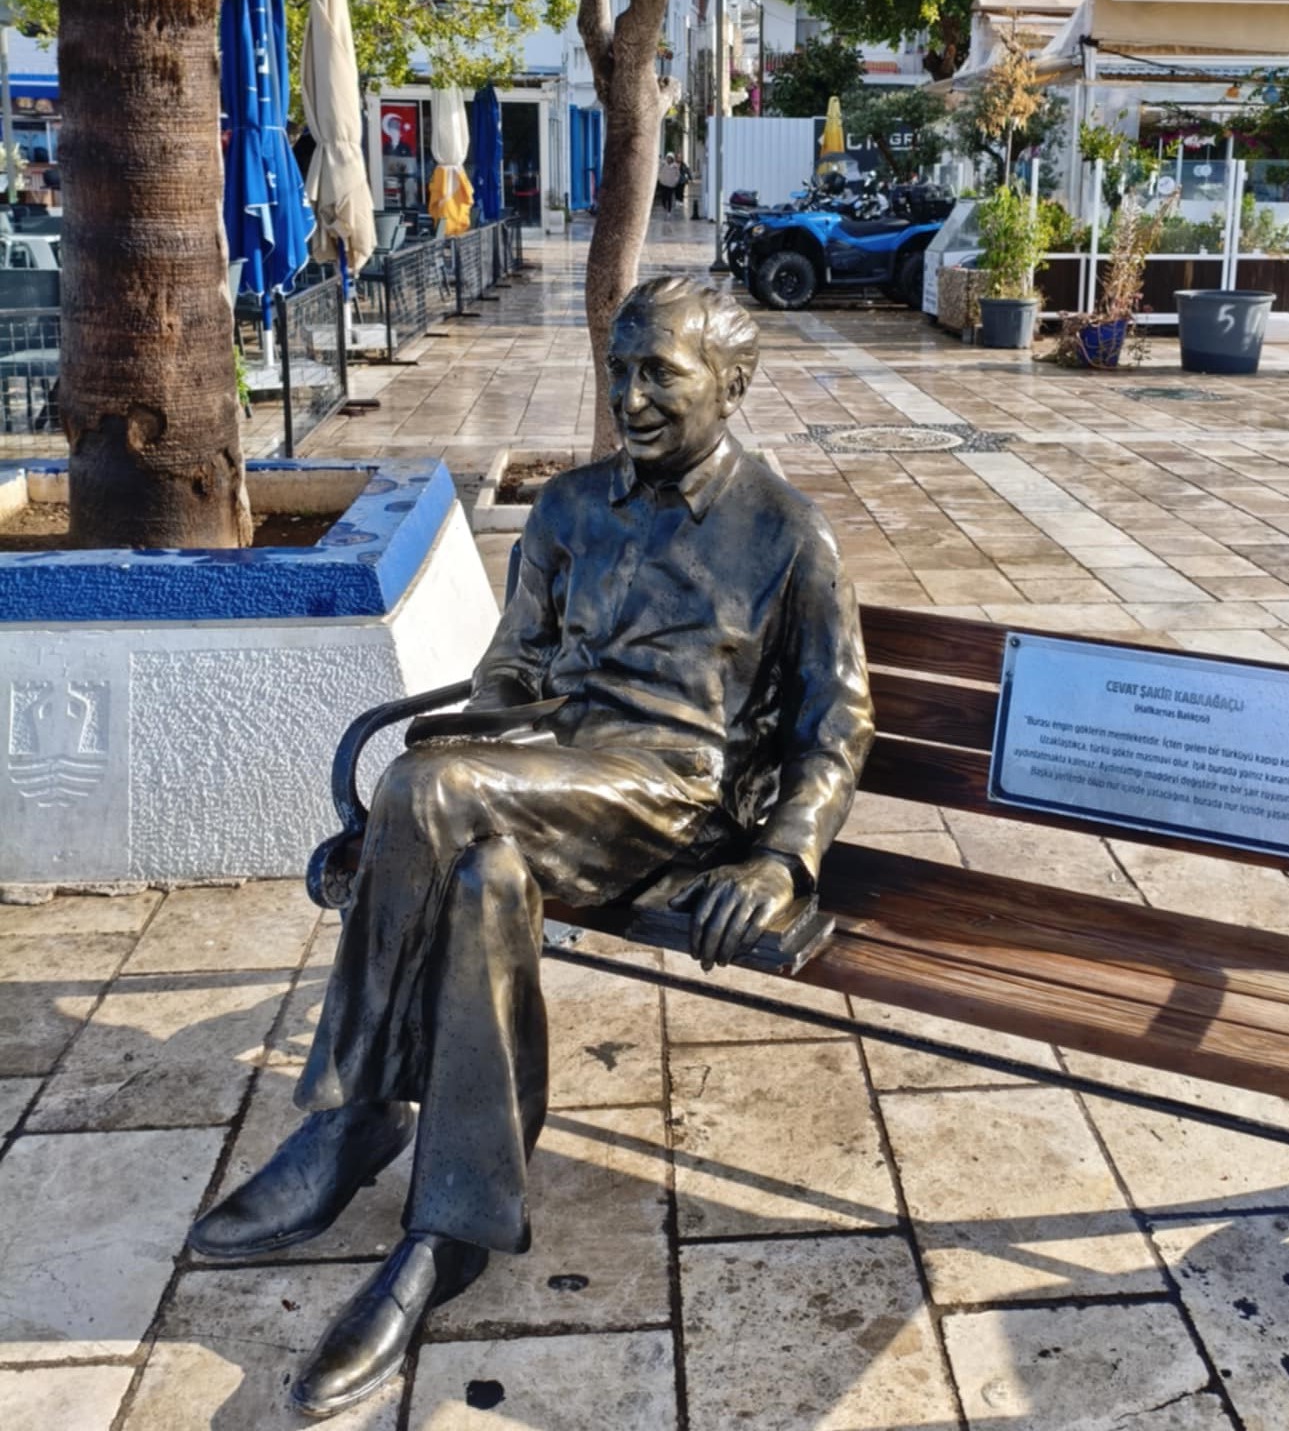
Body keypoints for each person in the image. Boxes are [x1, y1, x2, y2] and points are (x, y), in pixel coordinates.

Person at [187, 276, 875, 1419]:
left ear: (733, 385)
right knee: (480, 873)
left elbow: (835, 723)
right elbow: (511, 669)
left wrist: (780, 861)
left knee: (427, 787)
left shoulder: (790, 537)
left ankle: (352, 1116)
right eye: (619, 370)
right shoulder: (568, 510)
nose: (632, 396)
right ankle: (446, 1230)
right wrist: (480, 734)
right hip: (544, 774)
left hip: (672, 800)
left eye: (662, 373)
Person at [658, 150, 682, 214]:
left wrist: (675, 181)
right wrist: (660, 178)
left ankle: (669, 211)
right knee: (663, 197)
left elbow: (678, 175)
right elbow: (659, 171)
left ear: (672, 159)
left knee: (669, 198)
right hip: (663, 183)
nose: (668, 159)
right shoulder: (663, 164)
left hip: (671, 185)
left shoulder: (675, 166)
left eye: (670, 158)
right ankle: (664, 207)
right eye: (668, 158)